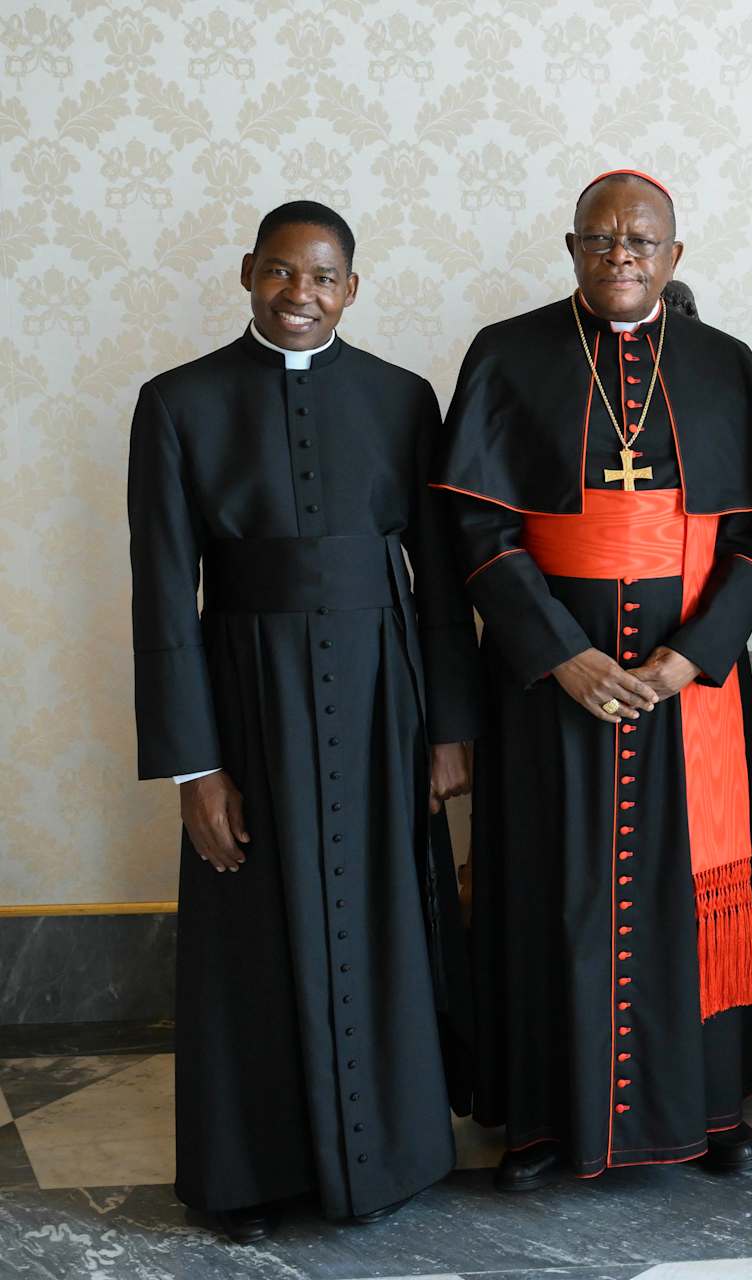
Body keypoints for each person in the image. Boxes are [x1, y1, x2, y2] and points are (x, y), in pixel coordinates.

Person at [435, 168, 752, 1190]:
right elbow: (478, 526)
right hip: (553, 684)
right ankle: (546, 1120)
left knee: (701, 887)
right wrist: (561, 652)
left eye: (641, 239)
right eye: (600, 238)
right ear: (572, 248)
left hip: (692, 684)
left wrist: (691, 655)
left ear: (675, 256)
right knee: (551, 889)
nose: (621, 252)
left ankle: (712, 1107)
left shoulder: (725, 364)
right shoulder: (507, 355)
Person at [128, 201, 480, 1243]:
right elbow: (161, 592)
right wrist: (197, 765)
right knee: (254, 935)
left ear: (352, 290)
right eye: (282, 273)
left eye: (324, 278)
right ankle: (252, 1174)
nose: (300, 295)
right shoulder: (177, 403)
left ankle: (397, 1156)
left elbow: (440, 583)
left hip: (383, 702)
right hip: (247, 704)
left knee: (384, 919)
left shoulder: (404, 398)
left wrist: (449, 728)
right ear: (248, 274)